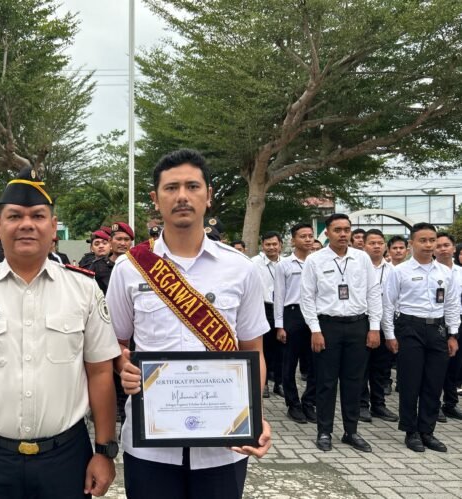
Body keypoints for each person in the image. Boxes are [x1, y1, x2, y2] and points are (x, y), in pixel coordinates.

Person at [0, 166, 119, 499]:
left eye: (38, 215)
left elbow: (101, 373)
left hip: (66, 457)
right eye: (15, 216)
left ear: (53, 226)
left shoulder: (84, 290)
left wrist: (104, 453)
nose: (27, 224)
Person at [109, 149, 270, 499]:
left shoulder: (241, 268)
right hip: (149, 443)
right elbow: (115, 345)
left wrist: (253, 415)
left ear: (208, 196)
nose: (182, 196)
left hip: (223, 444)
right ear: (155, 199)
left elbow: (253, 351)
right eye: (171, 188)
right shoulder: (129, 269)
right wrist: (124, 365)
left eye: (192, 186)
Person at [301, 214, 382, 453]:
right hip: (328, 327)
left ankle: (351, 431)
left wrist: (374, 327)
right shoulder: (315, 260)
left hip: (358, 326)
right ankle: (324, 431)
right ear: (327, 233)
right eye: (338, 230)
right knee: (326, 382)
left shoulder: (362, 258)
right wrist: (315, 330)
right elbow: (307, 297)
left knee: (354, 382)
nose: (343, 234)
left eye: (347, 229)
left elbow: (373, 292)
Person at [383, 223, 460, 452]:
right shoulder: (399, 271)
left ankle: (427, 430)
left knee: (433, 382)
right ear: (411, 244)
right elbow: (388, 304)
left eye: (432, 240)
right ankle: (411, 430)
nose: (428, 245)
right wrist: (389, 334)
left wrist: (453, 334)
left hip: (437, 330)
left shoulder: (446, 273)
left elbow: (452, 304)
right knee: (410, 382)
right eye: (423, 240)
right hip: (409, 328)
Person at [274, 223, 317, 425]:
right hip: (293, 314)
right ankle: (293, 404)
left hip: (316, 316)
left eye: (310, 236)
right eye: (303, 236)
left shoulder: (318, 261)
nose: (308, 239)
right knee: (289, 363)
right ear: (293, 240)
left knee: (316, 363)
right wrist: (280, 325)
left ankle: (309, 403)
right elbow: (279, 296)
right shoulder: (284, 265)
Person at [359, 229, 398, 423]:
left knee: (381, 367)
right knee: (361, 367)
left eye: (380, 243)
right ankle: (361, 405)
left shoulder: (392, 270)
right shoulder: (358, 267)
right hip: (362, 322)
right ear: (364, 245)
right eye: (372, 242)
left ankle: (379, 405)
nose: (376, 246)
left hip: (386, 322)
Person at [434, 233, 462, 421]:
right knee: (436, 367)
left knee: (455, 365)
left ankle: (450, 404)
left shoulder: (460, 272)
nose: (443, 248)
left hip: (457, 322)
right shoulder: (431, 271)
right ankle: (433, 405)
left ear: (453, 248)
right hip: (436, 322)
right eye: (439, 245)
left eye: (447, 245)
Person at [252, 231, 283, 398]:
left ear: (280, 245)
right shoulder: (254, 263)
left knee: (282, 350)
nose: (271, 247)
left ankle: (280, 383)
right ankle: (263, 384)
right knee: (264, 348)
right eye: (268, 244)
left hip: (283, 308)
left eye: (274, 244)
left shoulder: (285, 263)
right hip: (263, 308)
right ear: (262, 245)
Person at [89, 222, 133, 295]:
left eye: (126, 239)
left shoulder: (138, 266)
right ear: (110, 240)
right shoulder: (97, 266)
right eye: (119, 239)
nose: (122, 243)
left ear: (131, 243)